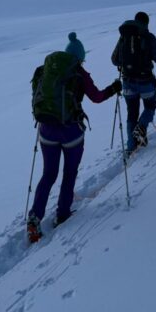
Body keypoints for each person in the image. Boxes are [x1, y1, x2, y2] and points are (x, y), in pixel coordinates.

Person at [29, 33, 121, 242]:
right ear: (79, 57)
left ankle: (34, 219)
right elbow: (96, 97)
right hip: (71, 132)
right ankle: (62, 214)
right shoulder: (79, 73)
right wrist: (113, 89)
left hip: (46, 131)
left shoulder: (46, 70)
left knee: (48, 175)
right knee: (69, 174)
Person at [111, 11, 156, 151]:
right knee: (150, 107)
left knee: (131, 113)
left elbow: (114, 60)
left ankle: (131, 146)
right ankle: (141, 128)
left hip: (128, 81)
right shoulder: (149, 37)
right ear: (146, 23)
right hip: (145, 80)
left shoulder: (124, 37)